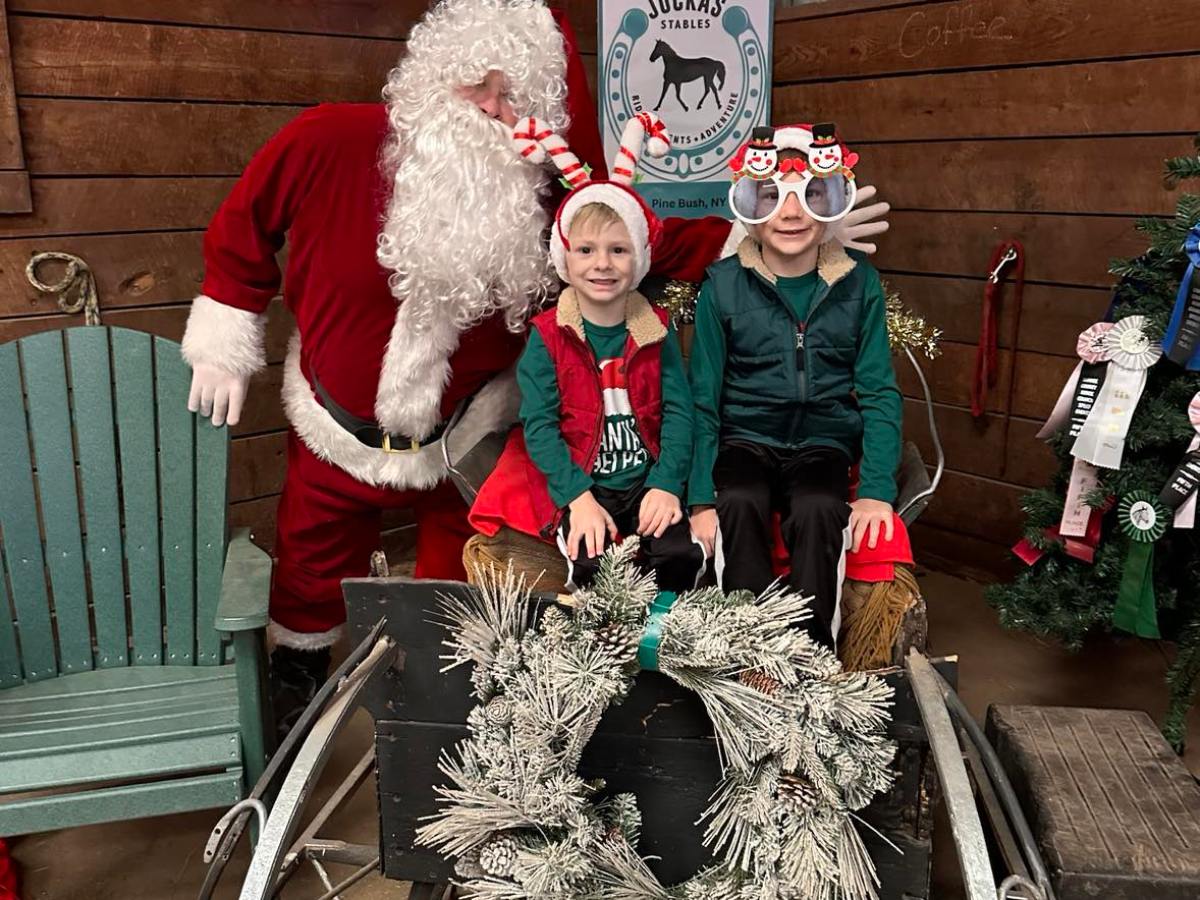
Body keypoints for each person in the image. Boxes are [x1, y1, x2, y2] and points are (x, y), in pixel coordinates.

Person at [688, 124, 903, 648]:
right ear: (750, 211)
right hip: (745, 438)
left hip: (822, 442)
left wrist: (875, 490)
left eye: (809, 195)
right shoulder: (723, 287)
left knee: (819, 507)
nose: (791, 213)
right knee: (737, 499)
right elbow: (702, 399)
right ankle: (747, 648)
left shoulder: (858, 282)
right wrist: (699, 498)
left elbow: (878, 391)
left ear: (831, 205)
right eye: (772, 198)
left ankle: (809, 654)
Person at [509, 114, 705, 591]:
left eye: (618, 250)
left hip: (646, 481)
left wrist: (666, 484)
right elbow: (540, 426)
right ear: (565, 258)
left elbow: (680, 413)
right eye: (587, 250)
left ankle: (669, 658)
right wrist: (577, 498)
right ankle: (604, 659)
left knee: (679, 559)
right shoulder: (549, 337)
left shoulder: (654, 330)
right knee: (593, 567)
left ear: (638, 257)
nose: (602, 264)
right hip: (586, 483)